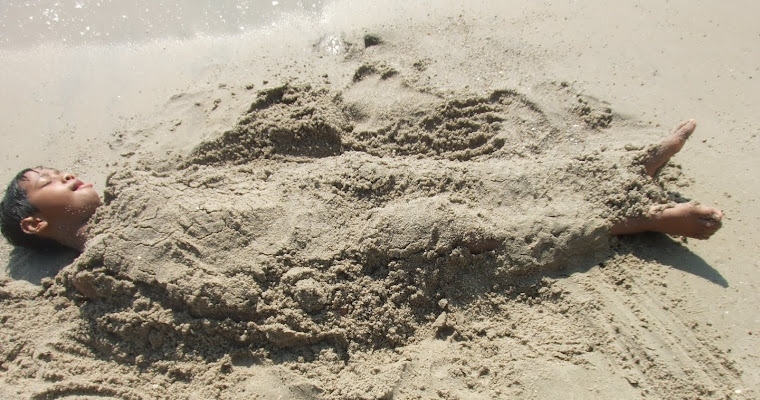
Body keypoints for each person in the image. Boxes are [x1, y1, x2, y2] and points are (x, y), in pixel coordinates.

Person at [0, 119, 722, 255]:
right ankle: (645, 219)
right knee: (468, 228)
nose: (66, 174)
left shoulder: (134, 188)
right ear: (36, 222)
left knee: (465, 177)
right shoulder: (102, 270)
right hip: (320, 240)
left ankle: (627, 168)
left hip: (330, 188)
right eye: (48, 183)